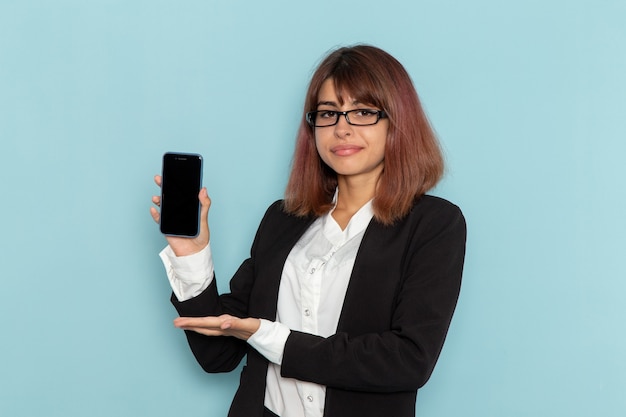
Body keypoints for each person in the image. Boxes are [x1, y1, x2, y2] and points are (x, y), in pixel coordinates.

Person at [150, 44, 466, 417]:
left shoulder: (434, 224)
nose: (342, 128)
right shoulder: (283, 219)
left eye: (363, 112)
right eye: (328, 113)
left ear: (398, 121)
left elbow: (408, 360)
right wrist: (193, 256)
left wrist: (272, 339)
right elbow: (218, 354)